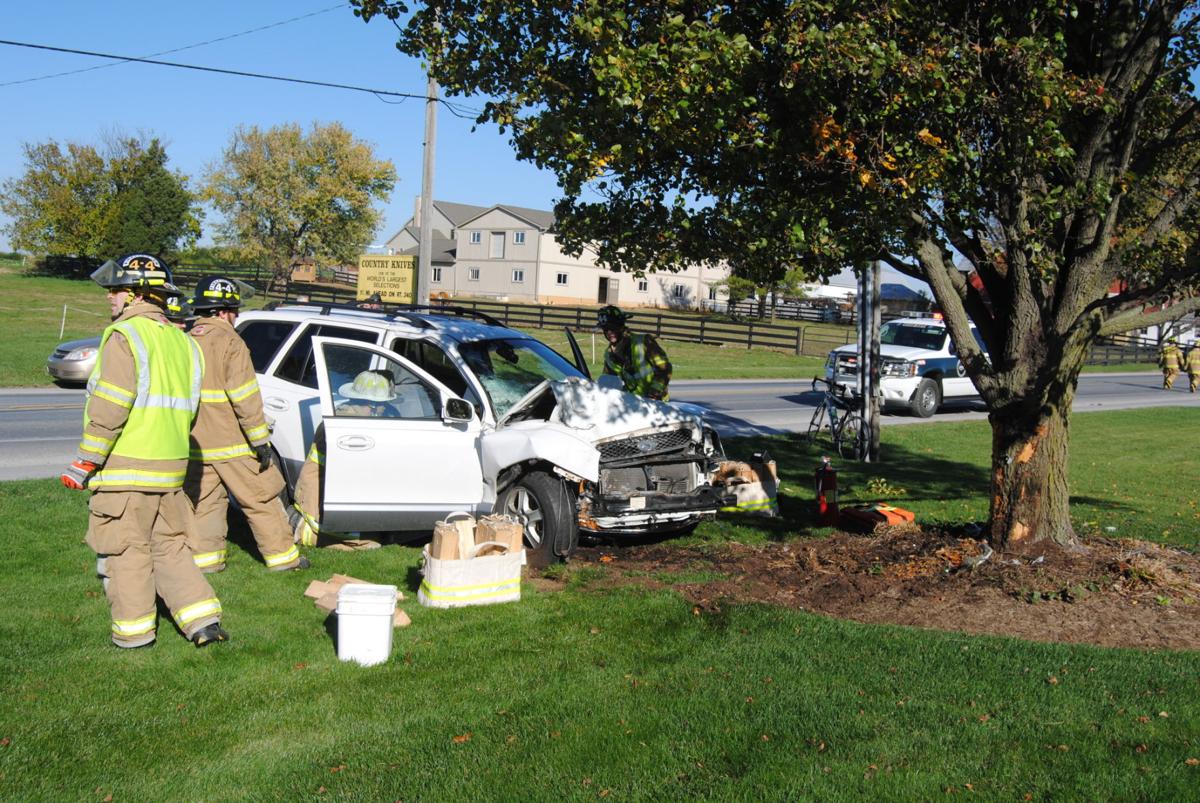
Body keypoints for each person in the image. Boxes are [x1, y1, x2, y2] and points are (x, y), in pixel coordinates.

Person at [61, 253, 227, 649]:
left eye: (115, 289)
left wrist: (86, 461)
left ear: (136, 293)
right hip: (169, 467)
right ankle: (203, 621)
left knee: (125, 549)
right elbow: (188, 410)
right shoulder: (181, 341)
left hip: (127, 468)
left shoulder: (126, 336)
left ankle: (133, 634)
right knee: (169, 546)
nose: (109, 298)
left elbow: (110, 406)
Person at [184, 276, 306, 573]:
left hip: (195, 441)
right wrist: (260, 441)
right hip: (230, 440)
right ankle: (283, 558)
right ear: (225, 311)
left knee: (205, 501)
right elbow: (245, 399)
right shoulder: (230, 342)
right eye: (235, 310)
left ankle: (207, 561)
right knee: (260, 496)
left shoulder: (186, 340)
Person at [292, 370, 400, 548]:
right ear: (370, 405)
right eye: (382, 405)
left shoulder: (350, 415)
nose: (384, 409)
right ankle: (302, 530)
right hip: (319, 494)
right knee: (370, 544)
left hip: (331, 490)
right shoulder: (347, 425)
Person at [597, 305, 672, 401]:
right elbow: (608, 383)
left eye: (613, 327)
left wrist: (654, 393)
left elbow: (665, 368)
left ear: (621, 325)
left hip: (656, 406)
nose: (609, 332)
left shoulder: (643, 342)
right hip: (632, 407)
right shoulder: (609, 356)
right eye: (605, 329)